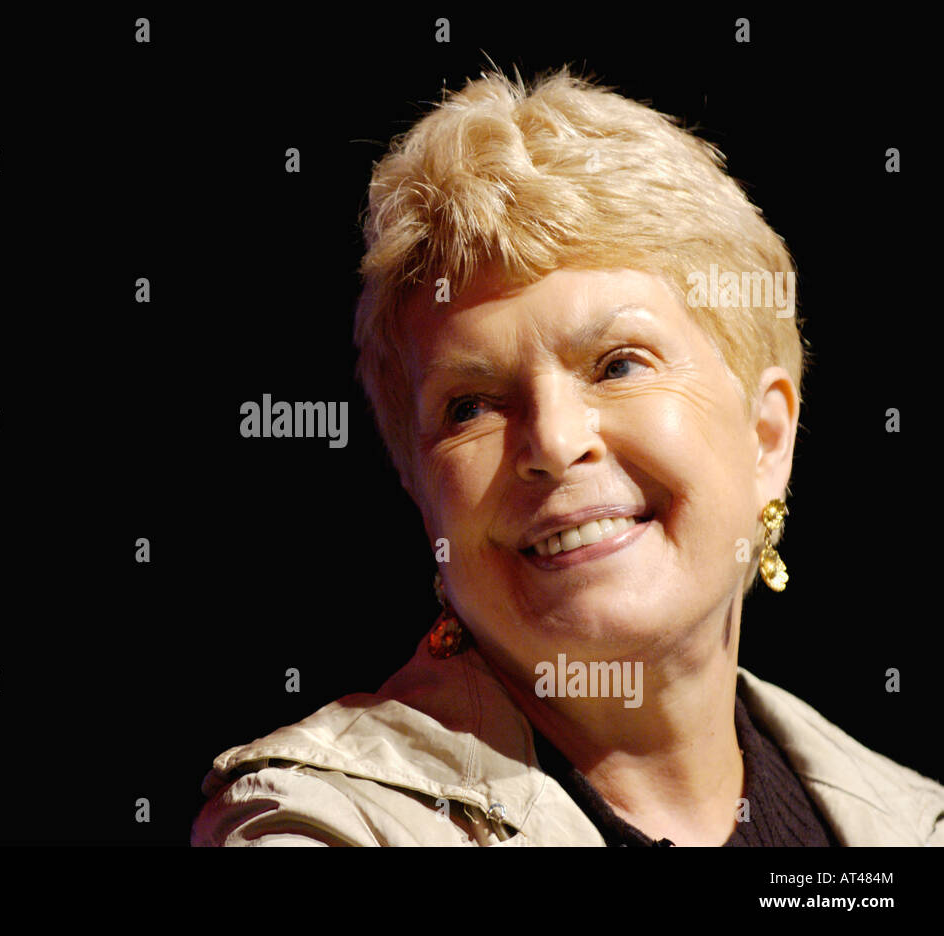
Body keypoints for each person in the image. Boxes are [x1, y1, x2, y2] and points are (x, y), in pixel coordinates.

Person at [191, 66, 944, 846]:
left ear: (766, 439)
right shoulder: (316, 826)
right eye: (470, 407)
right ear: (421, 492)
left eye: (618, 365)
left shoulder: (913, 824)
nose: (551, 442)